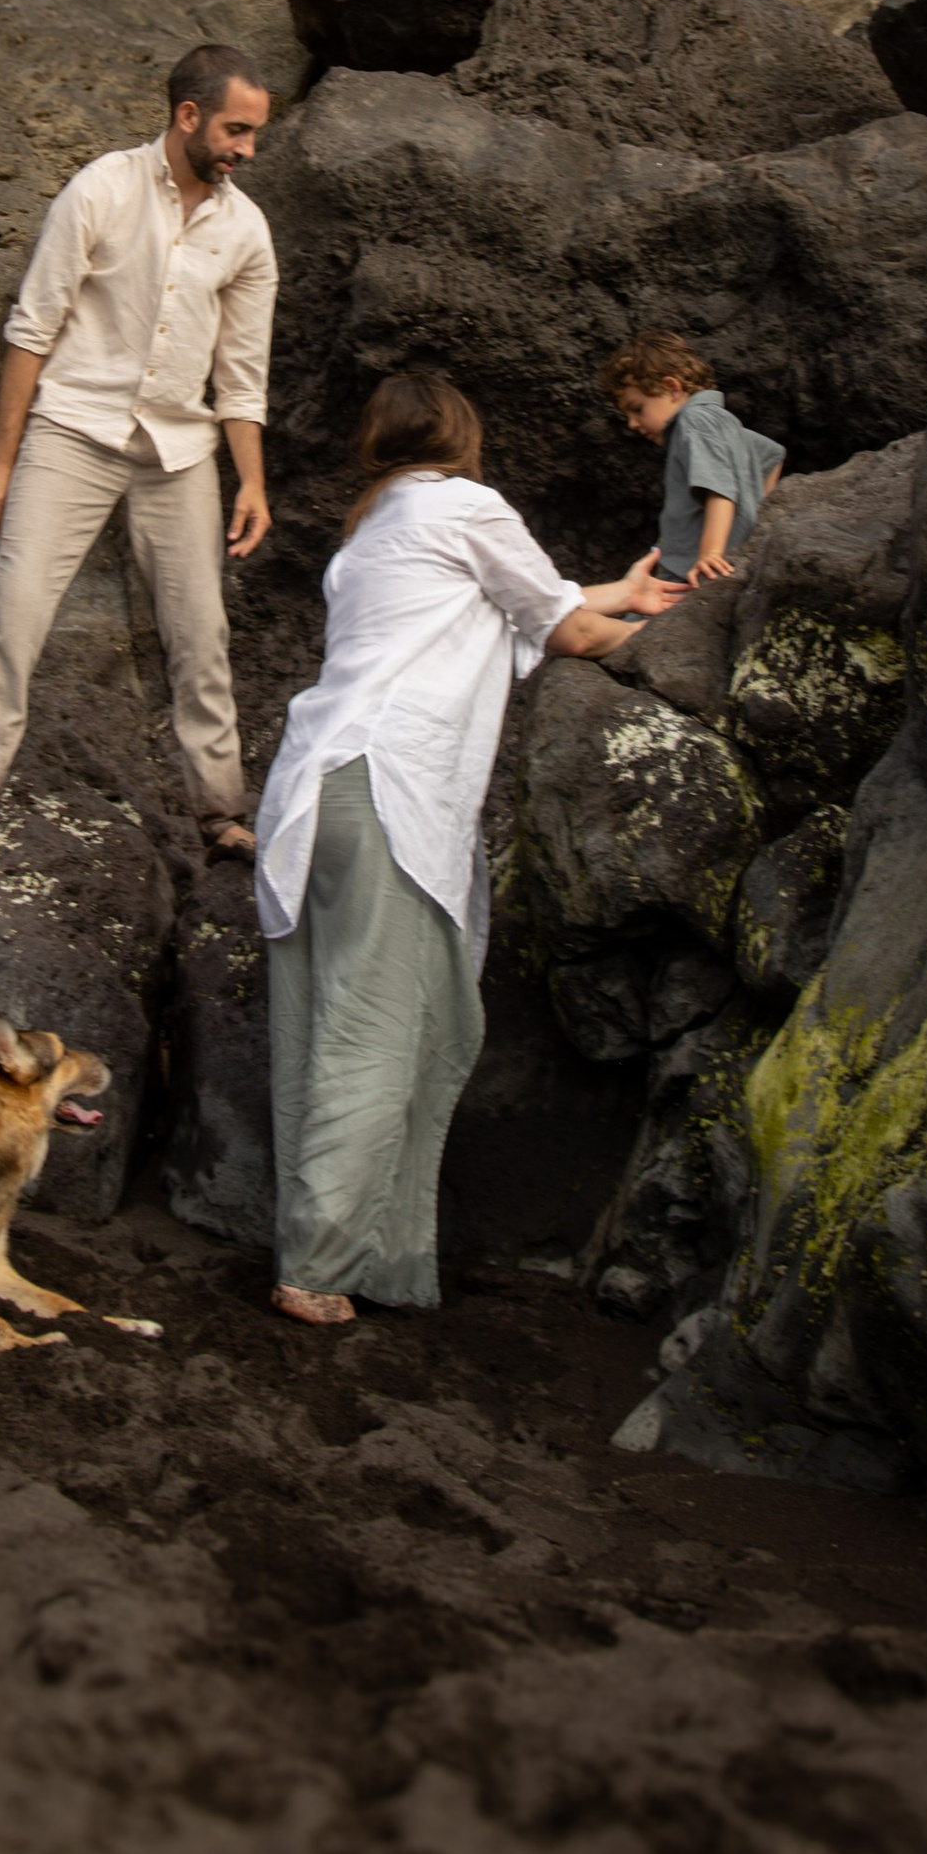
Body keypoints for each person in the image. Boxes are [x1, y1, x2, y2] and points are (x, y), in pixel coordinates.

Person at [253, 367, 680, 1330]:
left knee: (329, 1026)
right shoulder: (468, 505)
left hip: (314, 789)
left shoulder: (369, 531)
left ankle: (363, 1256)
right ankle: (315, 1265)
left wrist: (627, 590)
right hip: (387, 786)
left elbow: (509, 604)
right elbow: (562, 626)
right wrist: (677, 624)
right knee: (379, 1028)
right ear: (462, 437)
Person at [0, 43, 277, 884]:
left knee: (201, 636)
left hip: (180, 452)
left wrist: (254, 483)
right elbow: (32, 325)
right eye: (236, 129)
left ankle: (221, 815)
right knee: (15, 615)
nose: (246, 150)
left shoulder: (246, 229)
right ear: (188, 115)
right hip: (71, 430)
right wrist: (2, 459)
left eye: (256, 134)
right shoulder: (101, 187)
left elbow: (242, 374)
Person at [600, 332, 784, 591]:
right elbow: (771, 454)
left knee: (638, 626)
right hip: (701, 562)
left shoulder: (695, 421)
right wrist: (754, 526)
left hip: (688, 571)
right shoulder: (719, 421)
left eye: (637, 408)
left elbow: (718, 489)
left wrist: (710, 555)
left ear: (671, 387)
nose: (632, 424)